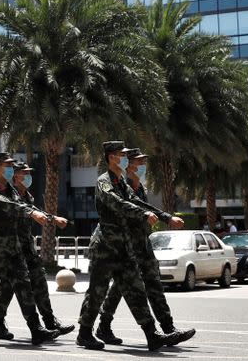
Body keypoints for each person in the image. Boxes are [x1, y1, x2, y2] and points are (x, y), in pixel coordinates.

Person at [76, 141, 184, 351]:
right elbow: (117, 202)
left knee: (136, 289)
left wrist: (166, 217)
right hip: (106, 247)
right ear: (111, 157)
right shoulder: (104, 182)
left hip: (123, 248)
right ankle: (84, 333)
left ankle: (152, 335)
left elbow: (138, 202)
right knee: (97, 291)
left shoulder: (123, 183)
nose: (125, 158)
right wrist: (142, 214)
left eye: (125, 155)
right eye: (121, 155)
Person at [0, 152, 58, 345]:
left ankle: (36, 328)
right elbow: (9, 205)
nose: (10, 169)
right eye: (7, 165)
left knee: (24, 286)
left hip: (14, 249)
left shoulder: (13, 191)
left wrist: (51, 218)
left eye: (11, 166)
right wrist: (30, 212)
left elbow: (24, 205)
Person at [0, 161, 74, 340]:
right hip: (11, 248)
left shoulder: (26, 196)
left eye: (28, 173)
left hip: (26, 246)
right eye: (23, 173)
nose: (28, 176)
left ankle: (49, 321)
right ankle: (2, 323)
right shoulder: (7, 194)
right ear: (15, 176)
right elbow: (24, 212)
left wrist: (53, 218)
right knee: (11, 286)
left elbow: (34, 210)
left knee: (38, 280)